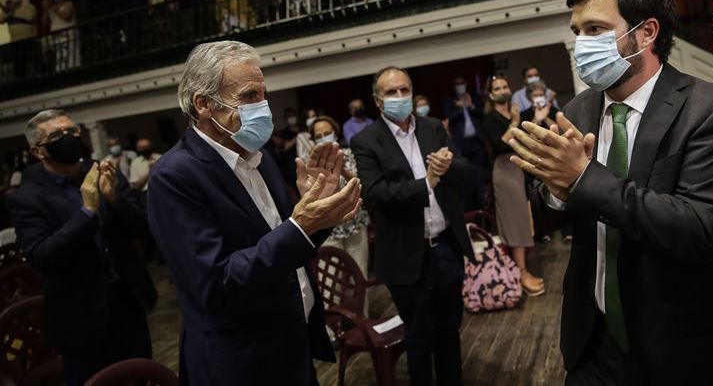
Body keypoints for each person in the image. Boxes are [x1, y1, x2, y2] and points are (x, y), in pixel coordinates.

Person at [507, 0, 713, 385]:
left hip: (684, 347)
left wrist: (582, 178)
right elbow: (545, 215)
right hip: (593, 345)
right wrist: (556, 192)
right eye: (577, 32)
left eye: (595, 29)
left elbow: (698, 229)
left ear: (646, 33)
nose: (581, 45)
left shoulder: (710, 110)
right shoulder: (578, 111)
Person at [148, 40, 361, 385]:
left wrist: (318, 211)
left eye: (262, 95)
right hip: (243, 362)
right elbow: (216, 285)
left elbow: (285, 240)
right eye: (248, 96)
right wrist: (301, 225)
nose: (262, 106)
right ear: (203, 104)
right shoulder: (175, 176)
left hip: (292, 343)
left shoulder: (258, 158)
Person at [6, 109, 157, 386]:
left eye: (72, 131)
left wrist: (114, 200)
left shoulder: (101, 170)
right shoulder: (28, 197)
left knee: (141, 376)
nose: (70, 138)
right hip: (79, 317)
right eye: (57, 135)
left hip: (126, 303)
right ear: (39, 152)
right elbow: (42, 256)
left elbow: (143, 227)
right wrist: (87, 211)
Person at [352, 66, 474, 386]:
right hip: (406, 255)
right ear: (378, 101)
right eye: (391, 93)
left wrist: (448, 168)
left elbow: (464, 168)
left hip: (446, 247)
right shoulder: (366, 141)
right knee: (419, 337)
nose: (400, 97)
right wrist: (426, 182)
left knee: (449, 332)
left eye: (405, 90)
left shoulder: (433, 127)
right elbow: (375, 193)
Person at [482, 74, 545, 296]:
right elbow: (500, 145)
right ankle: (520, 271)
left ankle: (520, 270)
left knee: (524, 219)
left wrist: (536, 119)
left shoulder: (515, 111)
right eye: (497, 88)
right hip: (504, 171)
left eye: (505, 86)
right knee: (515, 221)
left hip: (520, 169)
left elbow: (527, 138)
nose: (502, 90)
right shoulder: (489, 118)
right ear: (491, 94)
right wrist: (516, 121)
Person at [311, 116, 370, 280]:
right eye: (319, 135)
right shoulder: (311, 163)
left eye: (327, 133)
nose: (324, 138)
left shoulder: (351, 154)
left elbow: (363, 187)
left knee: (359, 277)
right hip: (327, 229)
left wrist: (342, 169)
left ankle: (361, 307)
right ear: (313, 139)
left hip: (355, 222)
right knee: (331, 281)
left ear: (335, 133)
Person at [518, 80, 568, 243]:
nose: (539, 97)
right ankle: (543, 231)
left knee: (560, 191)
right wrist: (536, 118)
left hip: (554, 157)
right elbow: (524, 135)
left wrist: (545, 117)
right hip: (532, 158)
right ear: (529, 97)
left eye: (541, 95)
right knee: (537, 193)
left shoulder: (553, 110)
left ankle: (567, 230)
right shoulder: (524, 114)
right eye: (535, 95)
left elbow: (560, 132)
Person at [443, 75, 488, 170]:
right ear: (454, 86)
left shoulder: (473, 96)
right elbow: (449, 118)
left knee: (480, 169)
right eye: (457, 84)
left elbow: (482, 113)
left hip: (477, 141)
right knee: (466, 170)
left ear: (466, 84)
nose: (460, 86)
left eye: (462, 83)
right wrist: (459, 108)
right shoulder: (450, 100)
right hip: (461, 143)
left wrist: (470, 105)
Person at [41, 0, 79, 71]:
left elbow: (66, 16)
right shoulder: (50, 8)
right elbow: (44, 23)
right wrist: (46, 10)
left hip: (69, 36)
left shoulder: (68, 4)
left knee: (71, 61)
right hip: (57, 38)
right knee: (61, 62)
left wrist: (52, 7)